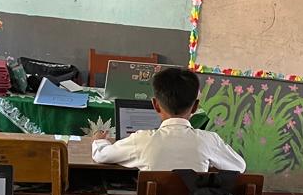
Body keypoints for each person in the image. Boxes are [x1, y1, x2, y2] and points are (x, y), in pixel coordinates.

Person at [91, 67, 245, 173]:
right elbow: (239, 166)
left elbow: (101, 155)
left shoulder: (141, 140)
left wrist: (99, 141)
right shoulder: (209, 141)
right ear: (195, 107)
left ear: (155, 104)